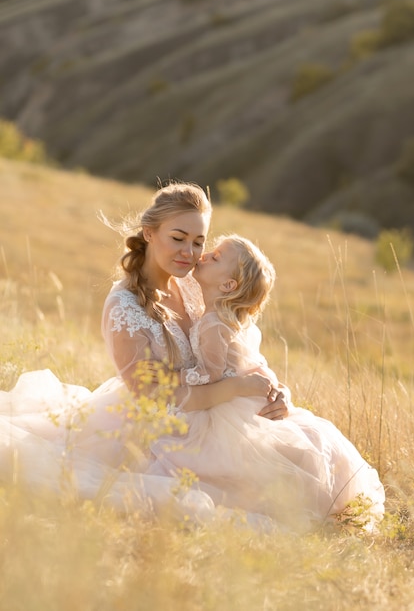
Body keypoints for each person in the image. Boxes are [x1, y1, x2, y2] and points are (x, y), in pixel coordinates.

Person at [0, 181, 288, 528]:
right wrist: (236, 390)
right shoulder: (125, 306)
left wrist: (272, 391)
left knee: (295, 471)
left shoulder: (196, 284)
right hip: (152, 435)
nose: (190, 252)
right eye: (178, 238)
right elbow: (152, 399)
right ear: (150, 232)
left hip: (212, 424)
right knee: (228, 504)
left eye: (199, 242)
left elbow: (234, 351)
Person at [147, 234, 385, 531]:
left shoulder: (212, 323)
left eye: (216, 257)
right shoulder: (227, 316)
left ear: (228, 285)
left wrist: (174, 376)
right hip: (244, 397)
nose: (204, 255)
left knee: (238, 461)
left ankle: (301, 505)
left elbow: (210, 374)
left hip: (230, 404)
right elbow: (252, 363)